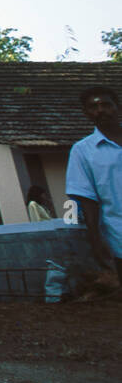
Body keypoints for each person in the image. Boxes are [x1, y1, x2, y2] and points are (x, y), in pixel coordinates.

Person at [66, 86, 122, 283]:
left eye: (106, 104)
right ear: (86, 113)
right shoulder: (82, 151)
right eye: (93, 107)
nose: (100, 110)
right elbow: (85, 199)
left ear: (117, 107)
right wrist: (95, 240)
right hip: (118, 235)